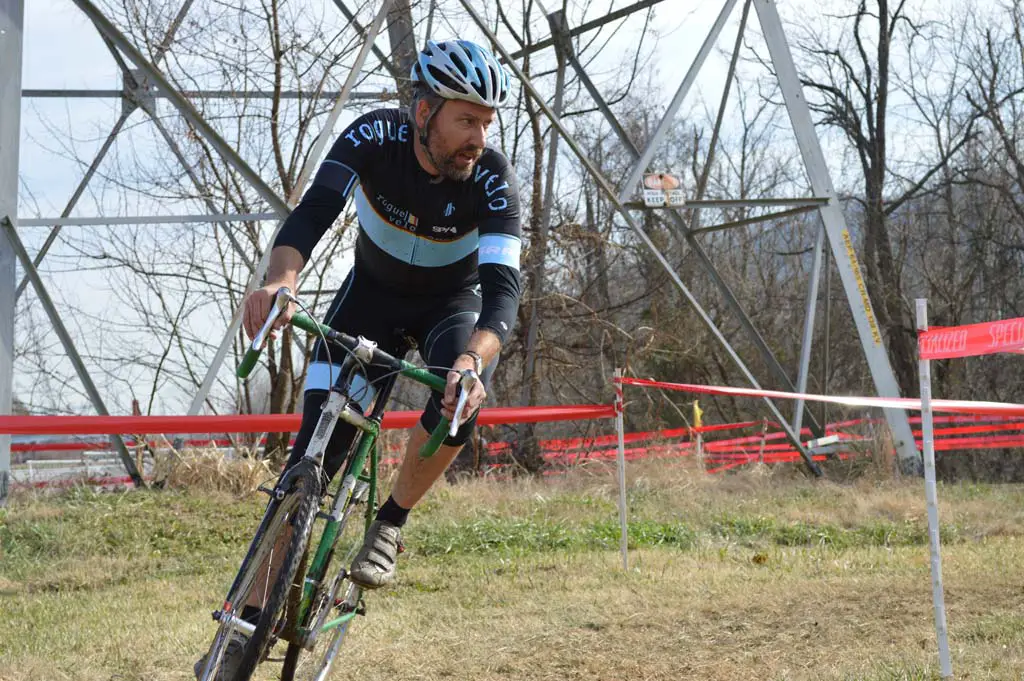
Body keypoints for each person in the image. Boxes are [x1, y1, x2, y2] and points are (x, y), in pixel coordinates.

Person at [195, 39, 521, 679]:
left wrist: (472, 363)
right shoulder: (373, 135)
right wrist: (280, 283)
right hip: (366, 301)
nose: (478, 135)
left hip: (447, 307)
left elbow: (503, 294)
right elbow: (314, 213)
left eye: (487, 121)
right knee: (304, 469)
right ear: (424, 110)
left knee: (459, 407)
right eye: (466, 119)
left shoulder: (491, 177)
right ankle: (239, 634)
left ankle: (390, 522)